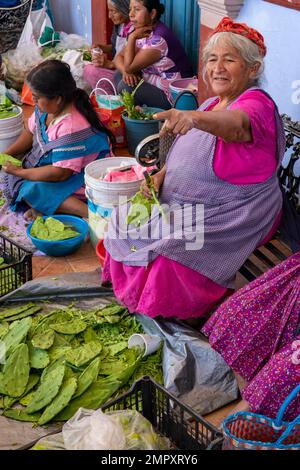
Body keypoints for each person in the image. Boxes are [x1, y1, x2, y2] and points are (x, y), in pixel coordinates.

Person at [102, 17, 286, 322]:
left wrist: (194, 118)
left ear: (253, 69)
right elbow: (187, 155)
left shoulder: (256, 103)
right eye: (212, 59)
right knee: (125, 218)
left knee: (171, 249)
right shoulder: (212, 102)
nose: (217, 68)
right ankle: (134, 296)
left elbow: (238, 126)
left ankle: (167, 311)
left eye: (230, 60)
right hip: (187, 200)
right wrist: (161, 176)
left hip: (234, 211)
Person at [2, 59, 113, 220]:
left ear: (58, 98)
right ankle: (50, 207)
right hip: (61, 169)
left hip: (80, 178)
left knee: (31, 189)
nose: (33, 101)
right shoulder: (47, 108)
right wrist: (8, 153)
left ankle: (92, 215)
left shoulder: (71, 126)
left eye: (36, 97)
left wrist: (21, 172)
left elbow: (60, 174)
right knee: (17, 179)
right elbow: (30, 132)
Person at [202, 252, 300, 420]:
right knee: (233, 319)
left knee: (285, 371)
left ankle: (245, 421)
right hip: (291, 281)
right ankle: (240, 417)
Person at [114, 0, 193, 109]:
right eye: (130, 9)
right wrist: (127, 73)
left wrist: (131, 38)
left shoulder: (159, 39)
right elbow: (118, 58)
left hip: (172, 95)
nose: (131, 14)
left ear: (152, 14)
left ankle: (139, 118)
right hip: (153, 83)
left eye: (136, 9)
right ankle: (138, 112)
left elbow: (129, 67)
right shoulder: (141, 31)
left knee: (126, 86)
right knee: (119, 74)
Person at [84, 0, 133, 91]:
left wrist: (110, 64)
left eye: (113, 11)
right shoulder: (120, 25)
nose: (109, 16)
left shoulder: (135, 30)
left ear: (125, 9)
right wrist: (101, 47)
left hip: (125, 75)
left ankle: (111, 100)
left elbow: (131, 62)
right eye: (109, 11)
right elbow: (115, 47)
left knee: (92, 72)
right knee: (87, 68)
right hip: (116, 68)